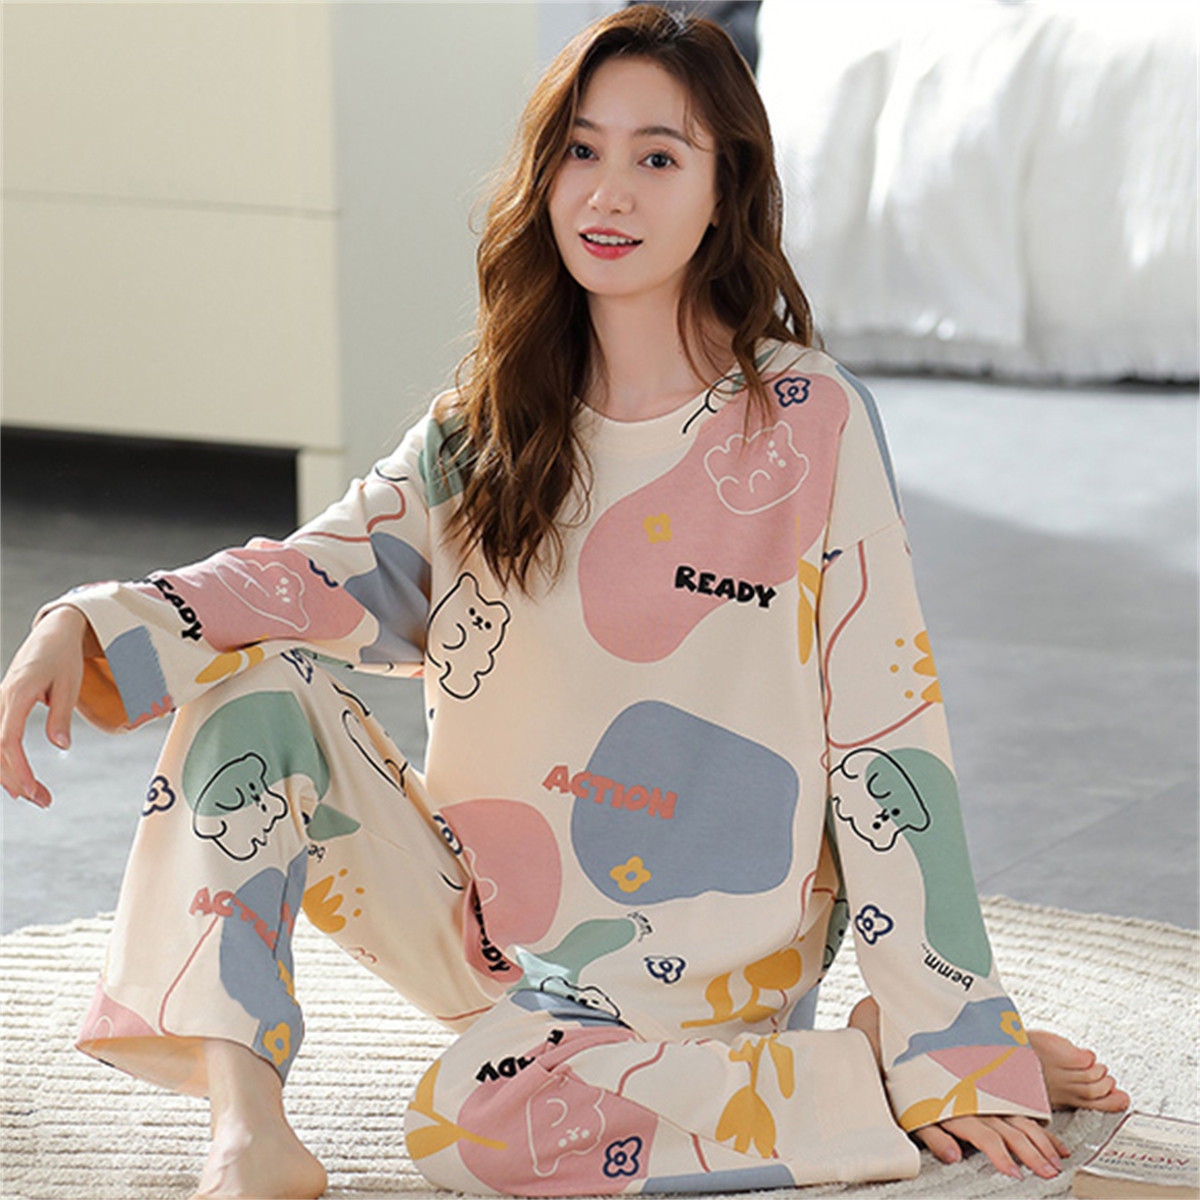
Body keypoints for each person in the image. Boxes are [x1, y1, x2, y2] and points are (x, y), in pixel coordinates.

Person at [0, 7, 1128, 1199]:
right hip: (494, 934)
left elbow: (887, 734)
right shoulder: (485, 429)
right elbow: (308, 575)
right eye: (582, 150)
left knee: (474, 1125)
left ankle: (873, 1069)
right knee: (251, 695)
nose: (609, 191)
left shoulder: (809, 422)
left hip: (709, 969)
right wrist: (92, 617)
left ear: (725, 188)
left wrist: (952, 1041)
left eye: (659, 156)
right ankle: (248, 1135)